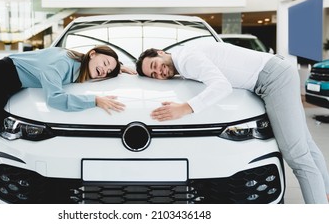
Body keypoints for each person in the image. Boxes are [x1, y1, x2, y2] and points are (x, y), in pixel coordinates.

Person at [136, 42, 329, 204]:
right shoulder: (183, 56)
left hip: (273, 80)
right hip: (277, 71)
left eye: (155, 65)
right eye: (153, 75)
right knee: (307, 146)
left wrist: (184, 108)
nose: (159, 73)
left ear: (160, 52)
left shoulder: (187, 60)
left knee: (297, 156)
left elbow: (222, 86)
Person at [0, 45, 130, 204]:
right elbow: (55, 99)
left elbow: (103, 66)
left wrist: (121, 68)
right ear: (92, 54)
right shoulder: (63, 63)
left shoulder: (78, 62)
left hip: (7, 80)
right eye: (105, 64)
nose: (104, 70)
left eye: (108, 71)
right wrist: (94, 100)